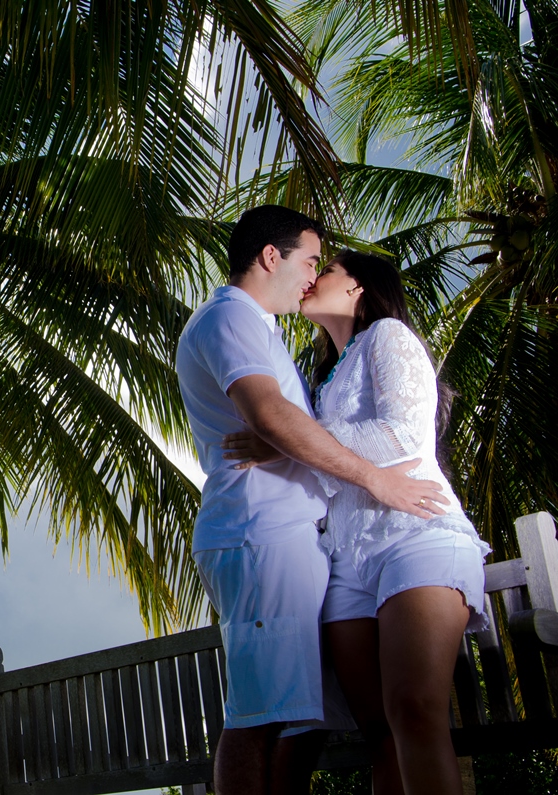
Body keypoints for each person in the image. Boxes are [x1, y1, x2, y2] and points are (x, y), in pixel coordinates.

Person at [175, 207, 445, 795]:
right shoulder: (231, 318)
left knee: (298, 721)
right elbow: (270, 416)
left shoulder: (263, 331)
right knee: (260, 716)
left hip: (294, 539)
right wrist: (376, 480)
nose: (311, 275)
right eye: (309, 260)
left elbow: (292, 429)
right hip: (260, 532)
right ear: (272, 256)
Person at [229, 251, 489, 795]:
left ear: (357, 288)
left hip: (415, 535)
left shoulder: (389, 335)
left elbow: (400, 438)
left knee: (414, 710)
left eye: (325, 270)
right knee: (380, 733)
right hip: (347, 561)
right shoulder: (323, 382)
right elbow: (331, 476)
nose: (311, 278)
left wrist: (286, 444)